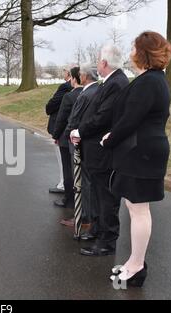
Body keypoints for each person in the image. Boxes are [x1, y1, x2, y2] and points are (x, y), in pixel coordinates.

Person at [102, 31, 171, 287]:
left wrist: (109, 139)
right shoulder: (154, 79)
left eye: (134, 48)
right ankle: (134, 262)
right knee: (136, 208)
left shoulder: (149, 82)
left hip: (141, 152)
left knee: (139, 209)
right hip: (142, 150)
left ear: (142, 53)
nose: (131, 52)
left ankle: (137, 266)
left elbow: (130, 119)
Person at [72, 45, 130, 256]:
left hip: (102, 151)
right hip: (95, 149)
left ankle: (107, 240)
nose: (97, 64)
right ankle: (98, 229)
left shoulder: (117, 83)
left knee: (106, 197)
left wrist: (80, 130)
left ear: (105, 63)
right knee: (98, 194)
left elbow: (102, 117)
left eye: (98, 60)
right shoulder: (113, 81)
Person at [61, 65, 99, 230]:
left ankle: (83, 217)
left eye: (81, 74)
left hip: (80, 142)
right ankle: (89, 215)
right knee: (89, 182)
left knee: (82, 182)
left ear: (85, 76)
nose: (79, 76)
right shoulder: (98, 90)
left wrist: (69, 133)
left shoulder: (85, 94)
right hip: (92, 143)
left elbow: (74, 118)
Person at [52, 67, 84, 209]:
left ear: (74, 78)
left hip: (67, 138)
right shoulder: (88, 93)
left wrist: (56, 135)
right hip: (83, 136)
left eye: (70, 77)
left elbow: (62, 118)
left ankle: (69, 199)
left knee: (68, 170)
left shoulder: (69, 96)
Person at [46, 68, 72, 194]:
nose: (63, 74)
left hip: (61, 128)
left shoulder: (65, 87)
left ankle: (63, 184)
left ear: (69, 73)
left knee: (62, 159)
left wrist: (48, 108)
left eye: (65, 71)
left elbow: (53, 103)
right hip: (71, 129)